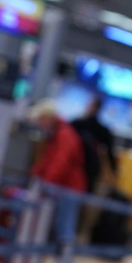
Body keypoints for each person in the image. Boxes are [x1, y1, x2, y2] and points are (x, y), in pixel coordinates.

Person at [29, 99, 88, 241]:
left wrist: (45, 182)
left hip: (69, 188)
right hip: (63, 186)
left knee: (64, 229)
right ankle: (62, 262)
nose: (40, 124)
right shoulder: (57, 134)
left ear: (49, 117)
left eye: (41, 120)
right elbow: (48, 160)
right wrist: (35, 175)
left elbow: (60, 163)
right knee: (60, 227)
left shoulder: (63, 135)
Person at [71, 96, 119, 194]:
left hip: (85, 167)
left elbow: (109, 151)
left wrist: (114, 170)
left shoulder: (78, 124)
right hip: (83, 167)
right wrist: (114, 170)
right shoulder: (78, 124)